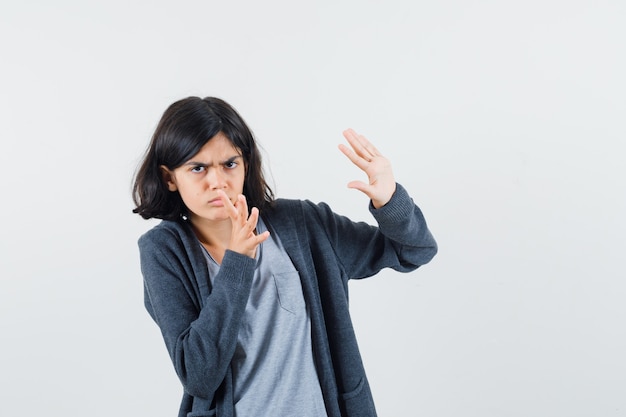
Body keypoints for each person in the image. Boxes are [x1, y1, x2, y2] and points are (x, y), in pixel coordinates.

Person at [132, 96, 437, 417]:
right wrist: (237, 260)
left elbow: (415, 251)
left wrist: (390, 202)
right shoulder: (162, 251)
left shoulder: (302, 223)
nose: (217, 182)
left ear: (246, 163)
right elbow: (199, 376)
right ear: (169, 178)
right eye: (197, 168)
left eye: (229, 164)